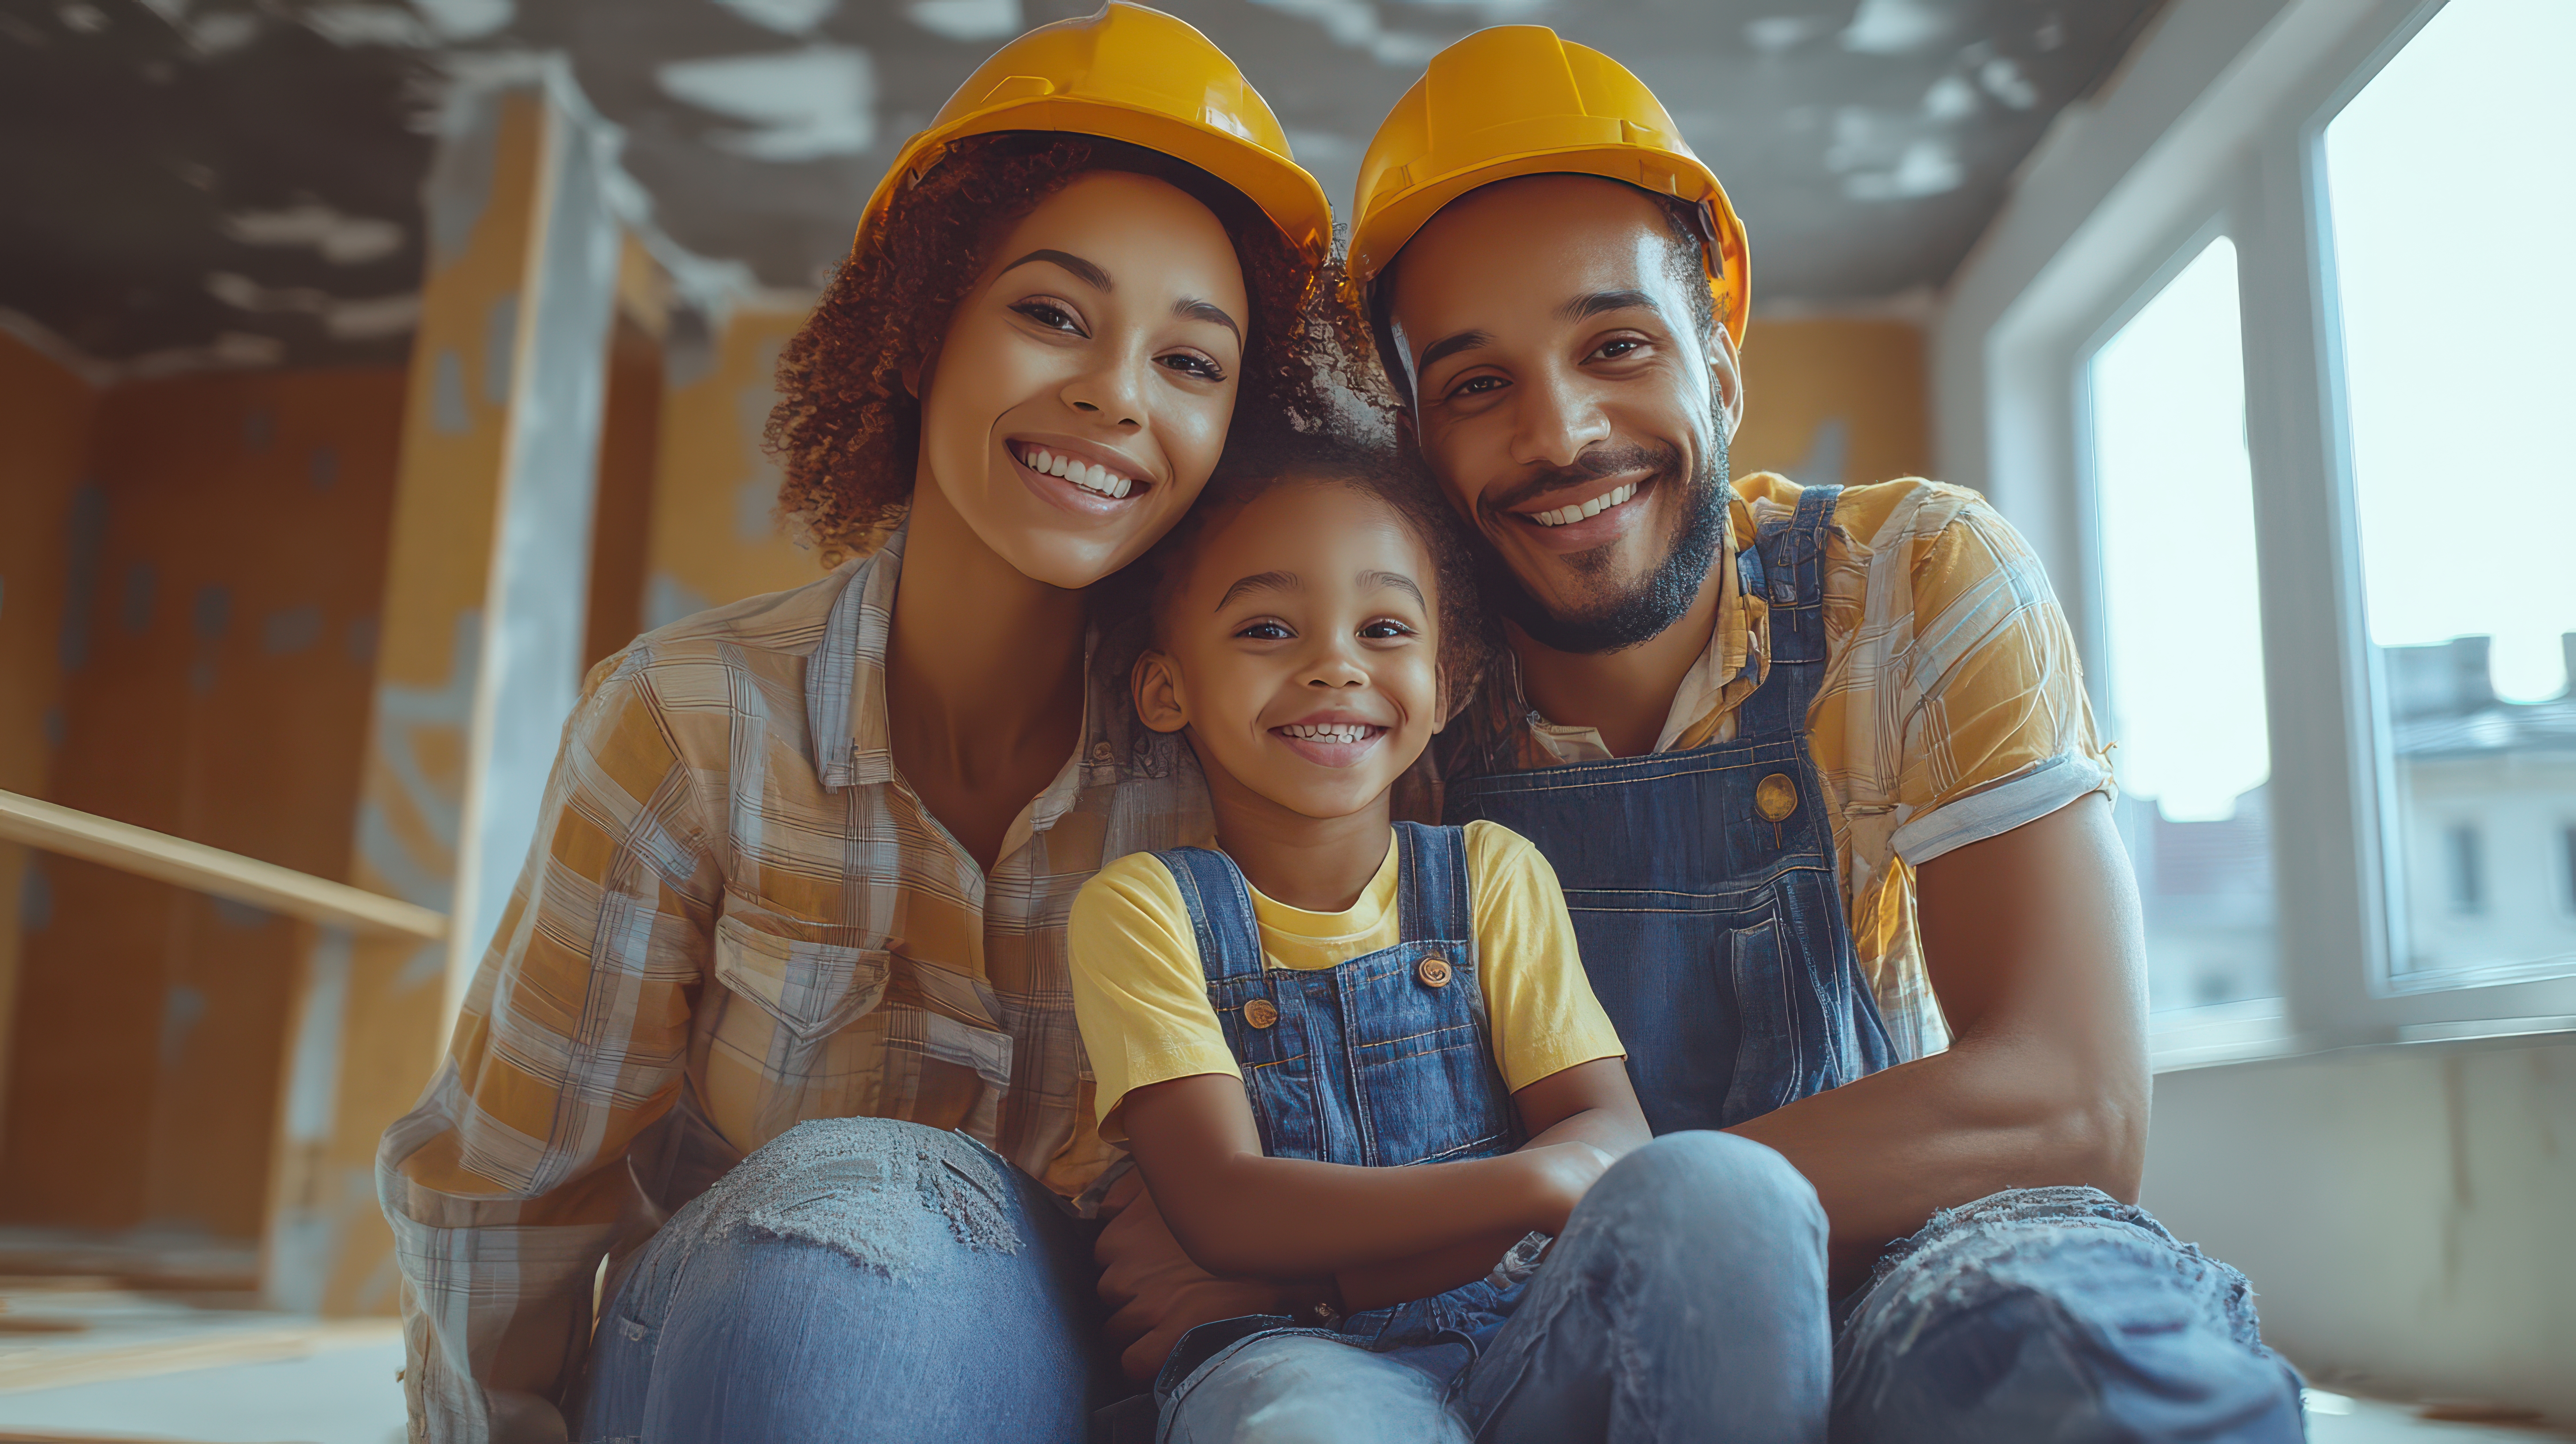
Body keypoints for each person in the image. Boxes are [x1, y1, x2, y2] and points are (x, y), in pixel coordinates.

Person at [372, 8, 1363, 1440]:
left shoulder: (1255, 758)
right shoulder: (686, 722)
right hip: (744, 1354)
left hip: (1101, 1381)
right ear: (920, 327)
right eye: (1052, 314)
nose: (1112, 392)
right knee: (859, 1245)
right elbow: (504, 1195)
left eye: (1190, 363)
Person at [1323, 24, 2300, 1443]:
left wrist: (1647, 1204)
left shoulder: (1915, 578)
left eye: (1617, 344)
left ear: (1721, 365)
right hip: (1533, 1316)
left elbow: (2071, 1106)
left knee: (2068, 1347)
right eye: (1477, 384)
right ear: (1416, 439)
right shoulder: (1375, 694)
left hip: (1915, 1247)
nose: (1563, 431)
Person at [1068, 429, 1830, 1443]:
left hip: (1526, 1331)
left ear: (1443, 683)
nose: (1334, 665)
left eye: (1383, 628)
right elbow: (1223, 1210)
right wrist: (1527, 1183)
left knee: (1735, 1190)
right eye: (1264, 630)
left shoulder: (1488, 877)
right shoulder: (1143, 912)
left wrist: (1359, 1262)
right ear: (1166, 688)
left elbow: (1607, 1137)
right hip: (1291, 1364)